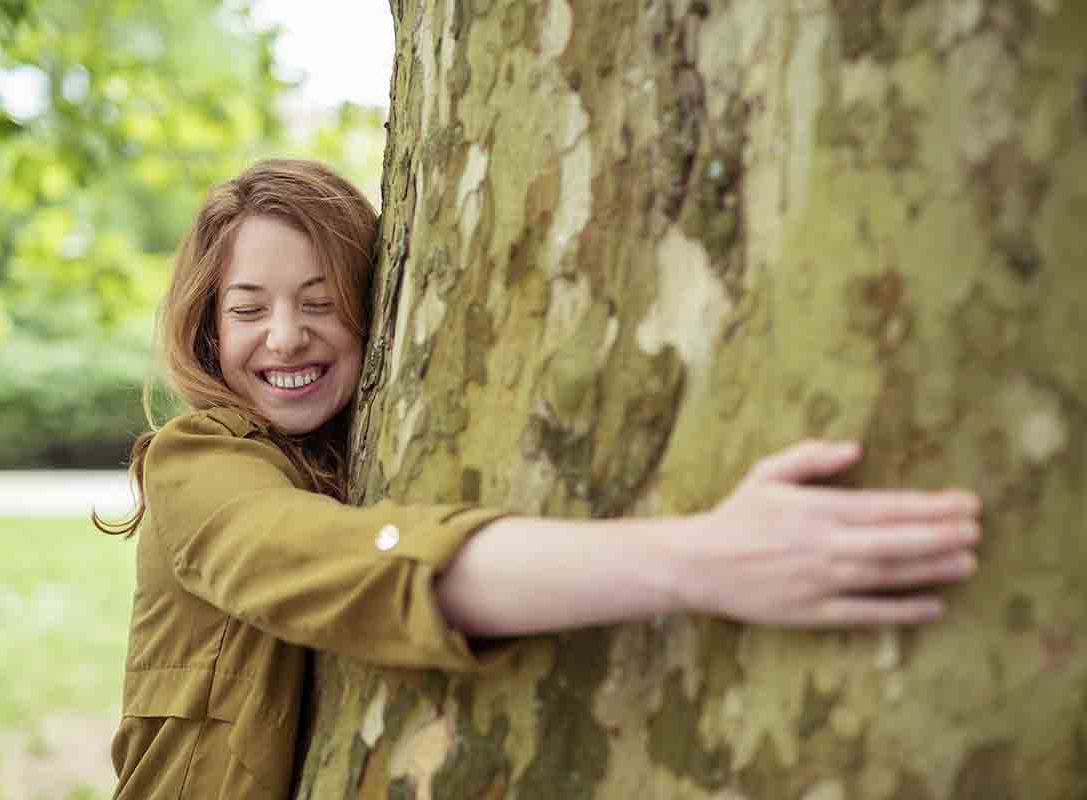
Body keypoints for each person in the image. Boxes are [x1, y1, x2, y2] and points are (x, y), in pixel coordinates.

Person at [99, 159, 982, 798]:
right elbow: (315, 556)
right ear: (209, 332)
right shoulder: (196, 467)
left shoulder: (362, 455)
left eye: (322, 300)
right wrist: (707, 559)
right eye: (249, 309)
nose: (286, 335)